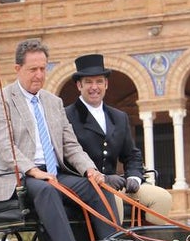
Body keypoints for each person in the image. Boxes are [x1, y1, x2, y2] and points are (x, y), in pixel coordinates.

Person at [0, 38, 119, 241]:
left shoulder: (53, 102)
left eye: (43, 69)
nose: (39, 75)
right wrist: (33, 171)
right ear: (18, 69)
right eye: (33, 69)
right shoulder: (0, 99)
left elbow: (70, 145)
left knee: (98, 186)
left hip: (54, 172)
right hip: (18, 175)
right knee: (47, 190)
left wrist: (90, 170)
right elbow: (4, 145)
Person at [66, 53, 174, 225]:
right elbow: (66, 160)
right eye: (89, 82)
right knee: (113, 201)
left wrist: (134, 177)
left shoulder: (119, 117)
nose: (95, 87)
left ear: (106, 84)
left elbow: (132, 155)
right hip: (87, 185)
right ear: (79, 85)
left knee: (162, 198)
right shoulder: (67, 116)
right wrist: (103, 178)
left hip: (116, 185)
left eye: (99, 81)